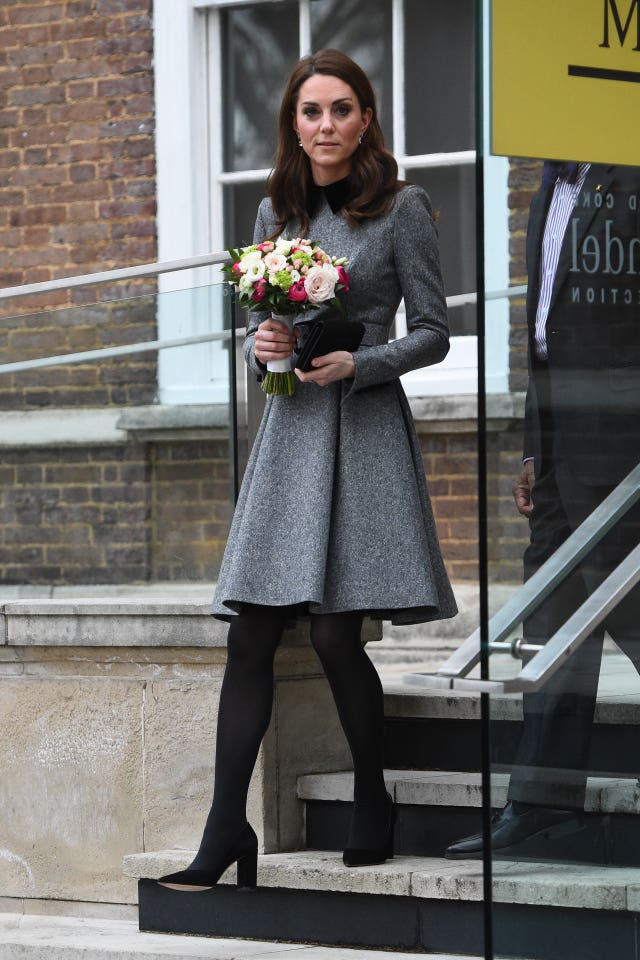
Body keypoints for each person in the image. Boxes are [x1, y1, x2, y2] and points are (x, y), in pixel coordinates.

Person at [158, 49, 457, 890]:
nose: (324, 126)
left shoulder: (402, 209)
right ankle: (225, 831)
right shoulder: (272, 214)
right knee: (251, 630)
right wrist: (265, 347)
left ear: (365, 119)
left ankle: (373, 794)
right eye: (310, 112)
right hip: (290, 438)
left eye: (341, 110)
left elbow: (432, 330)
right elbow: (260, 333)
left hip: (360, 435)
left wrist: (358, 360)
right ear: (293, 123)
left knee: (333, 633)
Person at [446, 160, 640, 859]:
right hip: (557, 451)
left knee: (628, 611)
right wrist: (534, 448)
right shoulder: (544, 194)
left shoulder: (631, 178)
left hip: (622, 447)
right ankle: (540, 805)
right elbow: (544, 343)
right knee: (551, 628)